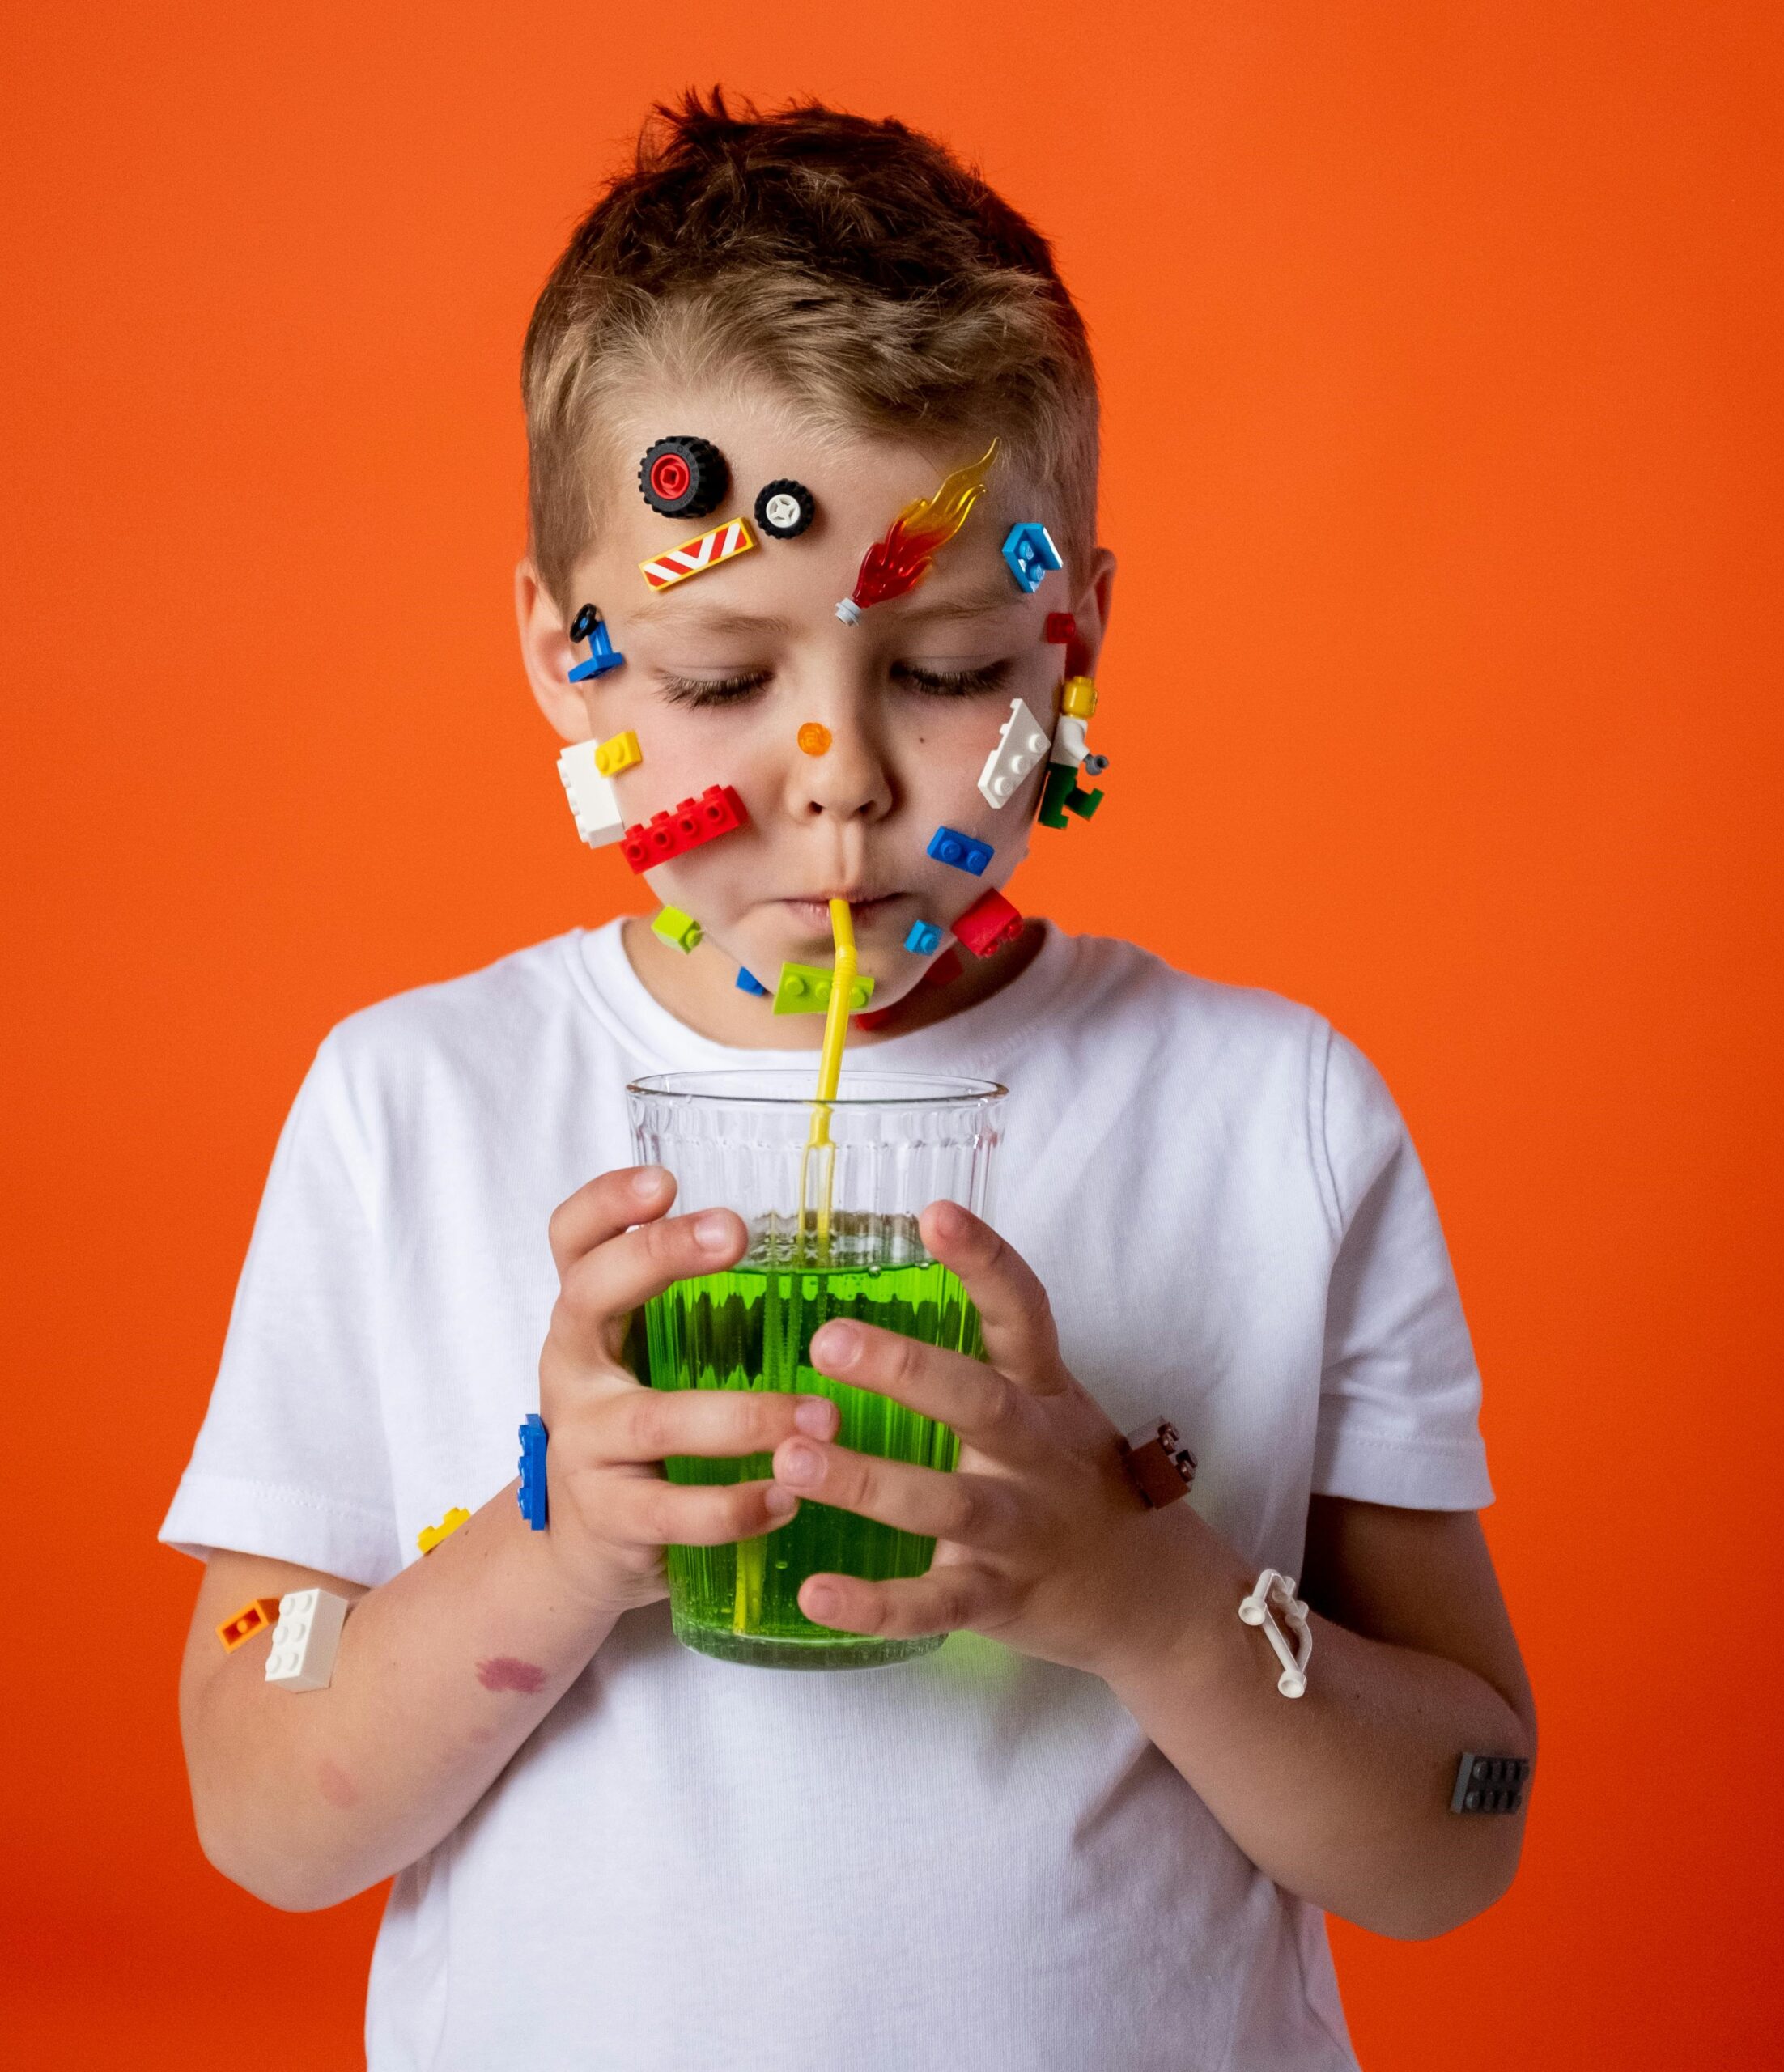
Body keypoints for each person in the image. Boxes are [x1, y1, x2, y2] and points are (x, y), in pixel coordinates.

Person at [165, 90, 1536, 2071]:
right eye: (724, 679)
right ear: (567, 660)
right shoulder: (409, 1108)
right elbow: (248, 1773)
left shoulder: (1279, 1119)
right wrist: (555, 1544)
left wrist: (1148, 1595)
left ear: (1078, 642)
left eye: (957, 664)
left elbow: (1469, 1819)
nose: (843, 777)